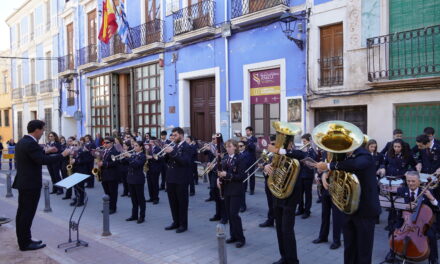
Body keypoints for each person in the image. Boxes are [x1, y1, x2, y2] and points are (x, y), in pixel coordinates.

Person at [315, 146, 381, 264]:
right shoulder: (345, 157)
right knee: (349, 248)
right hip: (348, 208)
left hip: (365, 211)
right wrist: (326, 173)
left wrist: (329, 166)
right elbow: (338, 169)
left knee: (363, 251)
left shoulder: (364, 155)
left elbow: (355, 165)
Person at [13, 120, 70, 251]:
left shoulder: (23, 141)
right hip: (30, 184)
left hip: (24, 182)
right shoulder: (31, 144)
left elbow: (34, 157)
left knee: (22, 213)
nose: (44, 132)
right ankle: (25, 243)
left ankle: (24, 239)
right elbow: (42, 160)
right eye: (43, 130)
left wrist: (47, 151)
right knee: (27, 213)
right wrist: (62, 155)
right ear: (37, 130)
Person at [264, 134, 307, 264]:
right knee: (279, 229)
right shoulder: (278, 156)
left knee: (287, 230)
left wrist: (279, 150)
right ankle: (284, 257)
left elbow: (302, 156)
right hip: (277, 196)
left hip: (290, 198)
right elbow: (269, 165)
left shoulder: (297, 153)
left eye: (281, 143)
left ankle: (293, 260)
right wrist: (266, 167)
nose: (278, 145)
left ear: (289, 144)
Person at [385, 171, 438, 264]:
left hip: (422, 222)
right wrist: (406, 206)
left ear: (419, 181)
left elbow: (437, 207)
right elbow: (395, 206)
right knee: (393, 230)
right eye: (408, 181)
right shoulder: (401, 190)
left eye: (413, 181)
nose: (410, 183)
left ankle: (433, 259)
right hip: (404, 221)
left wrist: (431, 198)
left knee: (431, 235)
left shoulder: (427, 191)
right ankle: (392, 253)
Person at [312, 150, 344, 250]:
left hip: (337, 186)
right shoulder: (325, 152)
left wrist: (326, 172)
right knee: (324, 214)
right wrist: (319, 174)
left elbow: (340, 167)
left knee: (336, 216)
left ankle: (336, 240)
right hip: (325, 187)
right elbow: (324, 166)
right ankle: (323, 236)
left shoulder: (341, 152)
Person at [218, 139, 247, 248]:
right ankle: (233, 235)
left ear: (235, 147)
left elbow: (241, 176)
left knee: (234, 214)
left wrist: (228, 175)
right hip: (227, 189)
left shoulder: (241, 158)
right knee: (229, 214)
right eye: (226, 146)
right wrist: (219, 176)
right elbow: (221, 172)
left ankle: (241, 238)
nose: (227, 148)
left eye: (229, 146)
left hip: (236, 190)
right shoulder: (225, 158)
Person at [163, 127, 192, 233]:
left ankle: (183, 224)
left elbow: (185, 162)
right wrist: (167, 153)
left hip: (181, 179)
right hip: (171, 178)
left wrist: (173, 152)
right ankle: (175, 221)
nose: (173, 137)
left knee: (182, 202)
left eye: (175, 135)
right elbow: (167, 162)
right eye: (172, 135)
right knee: (172, 202)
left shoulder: (187, 147)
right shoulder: (173, 146)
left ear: (181, 135)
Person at [125, 141, 147, 224]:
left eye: (136, 146)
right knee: (133, 199)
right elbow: (123, 162)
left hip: (138, 179)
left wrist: (129, 157)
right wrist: (123, 156)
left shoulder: (143, 156)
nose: (134, 147)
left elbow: (137, 165)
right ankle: (134, 215)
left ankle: (142, 216)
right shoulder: (133, 155)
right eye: (133, 145)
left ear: (141, 147)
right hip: (130, 178)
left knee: (140, 199)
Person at [296, 134, 317, 219]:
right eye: (302, 141)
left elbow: (313, 160)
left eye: (304, 141)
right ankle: (300, 208)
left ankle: (307, 211)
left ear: (309, 141)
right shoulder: (302, 150)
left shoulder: (311, 150)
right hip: (300, 174)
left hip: (308, 174)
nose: (303, 143)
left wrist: (305, 155)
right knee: (300, 193)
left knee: (308, 194)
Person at [99, 137, 120, 214]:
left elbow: (116, 163)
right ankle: (107, 207)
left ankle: (112, 208)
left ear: (111, 143)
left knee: (113, 193)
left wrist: (104, 164)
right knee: (107, 193)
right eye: (104, 142)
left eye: (107, 142)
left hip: (112, 175)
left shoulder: (115, 151)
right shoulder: (105, 150)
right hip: (105, 175)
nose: (105, 144)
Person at [69, 140, 93, 207]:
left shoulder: (83, 151)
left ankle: (81, 201)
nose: (74, 146)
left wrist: (76, 160)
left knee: (80, 187)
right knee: (75, 187)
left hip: (81, 171)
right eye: (73, 145)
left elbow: (87, 160)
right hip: (74, 170)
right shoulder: (73, 152)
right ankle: (76, 199)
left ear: (79, 145)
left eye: (76, 145)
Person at [259, 135, 276, 228]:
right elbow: (265, 163)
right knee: (270, 201)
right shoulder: (268, 152)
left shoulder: (281, 153)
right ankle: (270, 219)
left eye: (273, 144)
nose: (271, 146)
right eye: (270, 144)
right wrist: (264, 166)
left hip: (277, 181)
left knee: (276, 202)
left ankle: (278, 220)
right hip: (268, 180)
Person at [146, 137, 161, 204]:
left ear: (155, 141)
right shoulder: (148, 148)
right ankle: (151, 197)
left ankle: (156, 198)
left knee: (155, 183)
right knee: (149, 183)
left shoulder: (158, 148)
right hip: (148, 167)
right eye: (150, 141)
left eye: (151, 141)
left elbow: (160, 158)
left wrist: (151, 157)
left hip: (155, 168)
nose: (150, 143)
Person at [239, 140, 252, 212]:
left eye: (241, 146)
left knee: (242, 191)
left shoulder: (247, 154)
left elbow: (247, 163)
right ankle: (238, 204)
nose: (239, 147)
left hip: (243, 174)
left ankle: (243, 206)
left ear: (244, 147)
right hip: (237, 174)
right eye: (238, 146)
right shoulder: (237, 153)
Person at [244, 126, 257, 195]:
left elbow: (253, 147)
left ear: (251, 131)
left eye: (248, 131)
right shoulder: (244, 138)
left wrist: (247, 141)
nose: (246, 132)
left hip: (252, 159)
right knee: (244, 174)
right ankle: (245, 188)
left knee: (252, 175)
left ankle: (252, 189)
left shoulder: (254, 139)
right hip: (244, 158)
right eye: (246, 131)